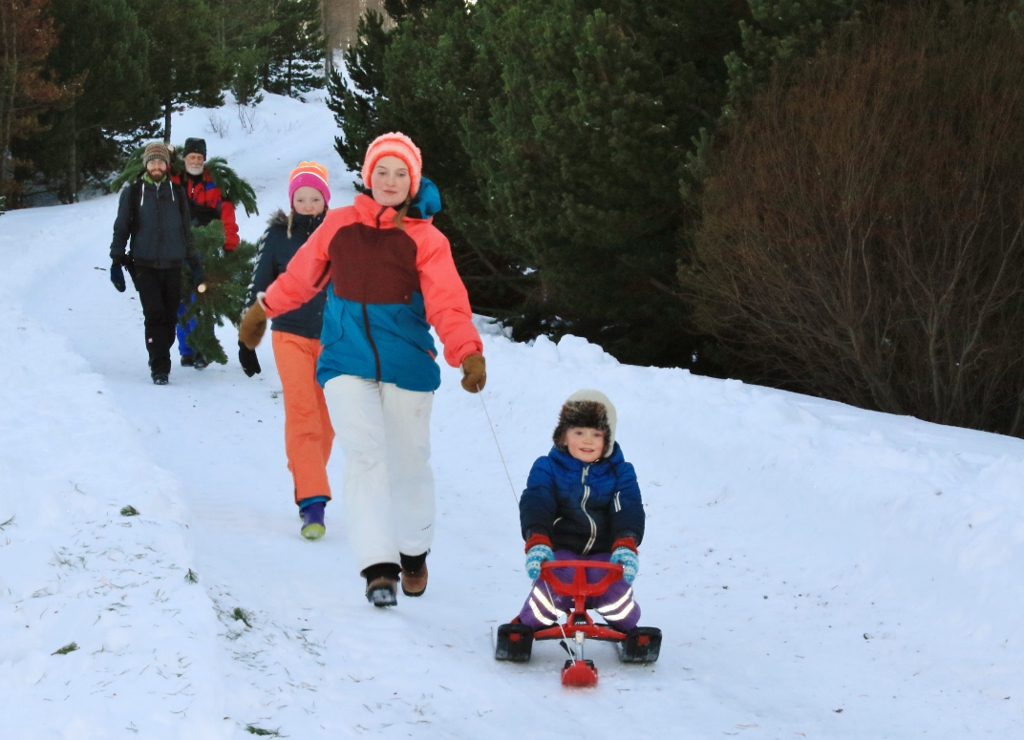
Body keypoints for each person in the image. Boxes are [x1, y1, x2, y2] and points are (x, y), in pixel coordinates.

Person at [239, 132, 487, 607]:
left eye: (400, 174)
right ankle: (379, 568)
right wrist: (262, 309)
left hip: (407, 364)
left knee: (409, 462)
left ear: (411, 182)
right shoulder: (338, 225)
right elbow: (301, 278)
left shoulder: (427, 240)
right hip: (345, 361)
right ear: (368, 176)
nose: (389, 181)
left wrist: (466, 352)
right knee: (365, 456)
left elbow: (448, 305)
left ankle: (413, 551)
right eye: (381, 171)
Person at [241, 162, 334, 539]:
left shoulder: (338, 234)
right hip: (290, 335)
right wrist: (248, 336)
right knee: (302, 414)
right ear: (291, 200)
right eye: (301, 198)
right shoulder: (279, 234)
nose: (308, 204)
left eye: (315, 198)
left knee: (326, 424)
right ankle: (313, 503)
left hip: (333, 339)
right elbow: (260, 283)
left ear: (325, 200)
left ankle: (306, 477)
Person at [514, 390, 644, 632]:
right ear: (563, 437)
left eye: (597, 434)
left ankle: (627, 626)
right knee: (552, 590)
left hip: (604, 555)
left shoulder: (621, 472)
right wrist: (537, 539)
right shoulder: (547, 468)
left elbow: (627, 506)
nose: (588, 440)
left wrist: (626, 542)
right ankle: (525, 625)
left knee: (615, 593)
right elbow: (537, 500)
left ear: (608, 440)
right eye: (579, 432)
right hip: (561, 551)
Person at [109, 142, 204, 385]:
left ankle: (160, 354)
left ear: (167, 165)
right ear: (146, 165)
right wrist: (116, 261)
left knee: (170, 316)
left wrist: (194, 264)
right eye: (152, 162)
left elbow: (186, 231)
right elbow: (122, 228)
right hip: (144, 264)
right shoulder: (133, 193)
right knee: (154, 315)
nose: (157, 166)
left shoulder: (177, 193)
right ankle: (159, 365)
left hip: (172, 264)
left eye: (161, 162)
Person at [172, 137, 240, 369]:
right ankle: (186, 350)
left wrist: (230, 245)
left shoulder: (215, 184)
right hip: (177, 249)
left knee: (200, 299)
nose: (196, 161)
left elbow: (227, 217)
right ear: (184, 158)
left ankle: (203, 349)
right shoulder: (175, 181)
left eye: (200, 157)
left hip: (205, 251)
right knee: (181, 299)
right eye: (192, 157)